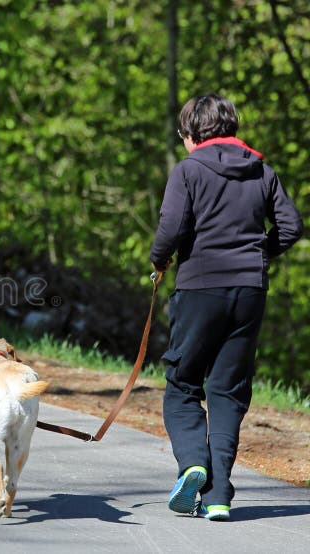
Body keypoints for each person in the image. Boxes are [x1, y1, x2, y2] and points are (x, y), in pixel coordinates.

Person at [150, 93, 303, 521]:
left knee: (181, 386)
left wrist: (158, 260)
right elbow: (291, 227)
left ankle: (194, 464)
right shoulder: (262, 171)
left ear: (192, 134)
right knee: (227, 392)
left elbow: (172, 227)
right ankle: (218, 496)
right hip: (249, 292)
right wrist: (257, 254)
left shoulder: (189, 170)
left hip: (200, 288)